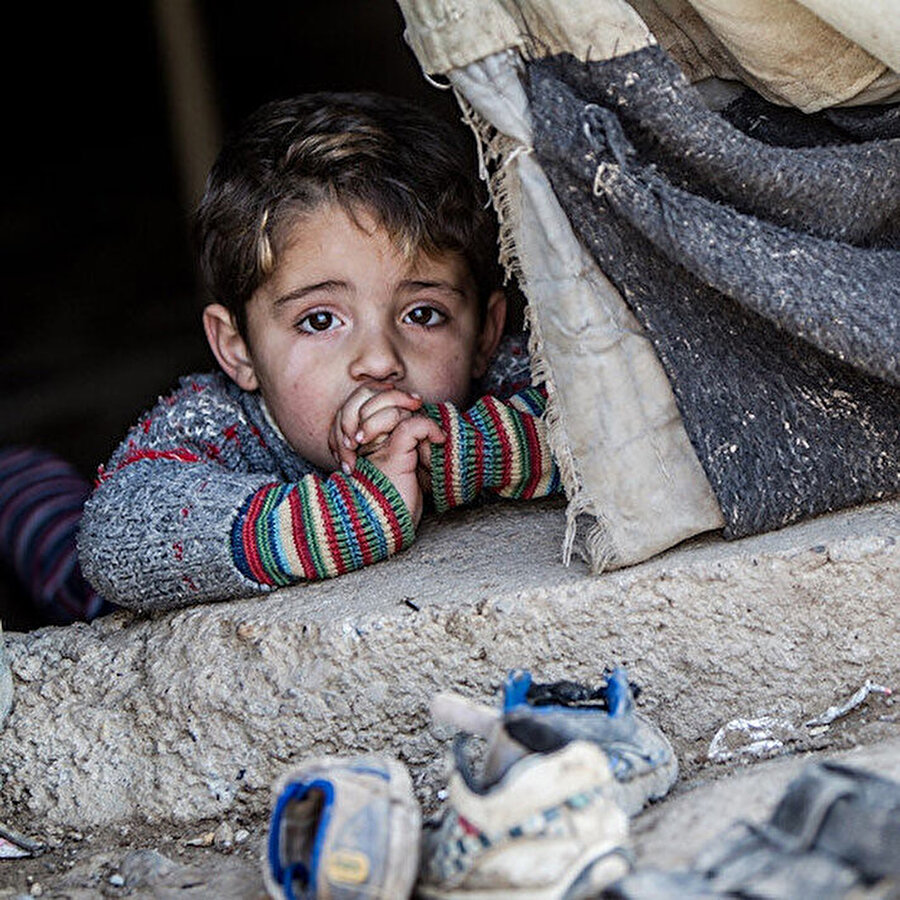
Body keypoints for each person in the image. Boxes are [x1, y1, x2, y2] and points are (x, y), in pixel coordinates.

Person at [19, 91, 561, 619]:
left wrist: (456, 452)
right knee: (50, 535)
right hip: (106, 598)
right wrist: (348, 516)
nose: (378, 359)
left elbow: (615, 425)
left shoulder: (503, 376)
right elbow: (115, 535)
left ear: (486, 332)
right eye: (320, 320)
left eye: (423, 314)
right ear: (238, 350)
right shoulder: (218, 420)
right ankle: (21, 472)